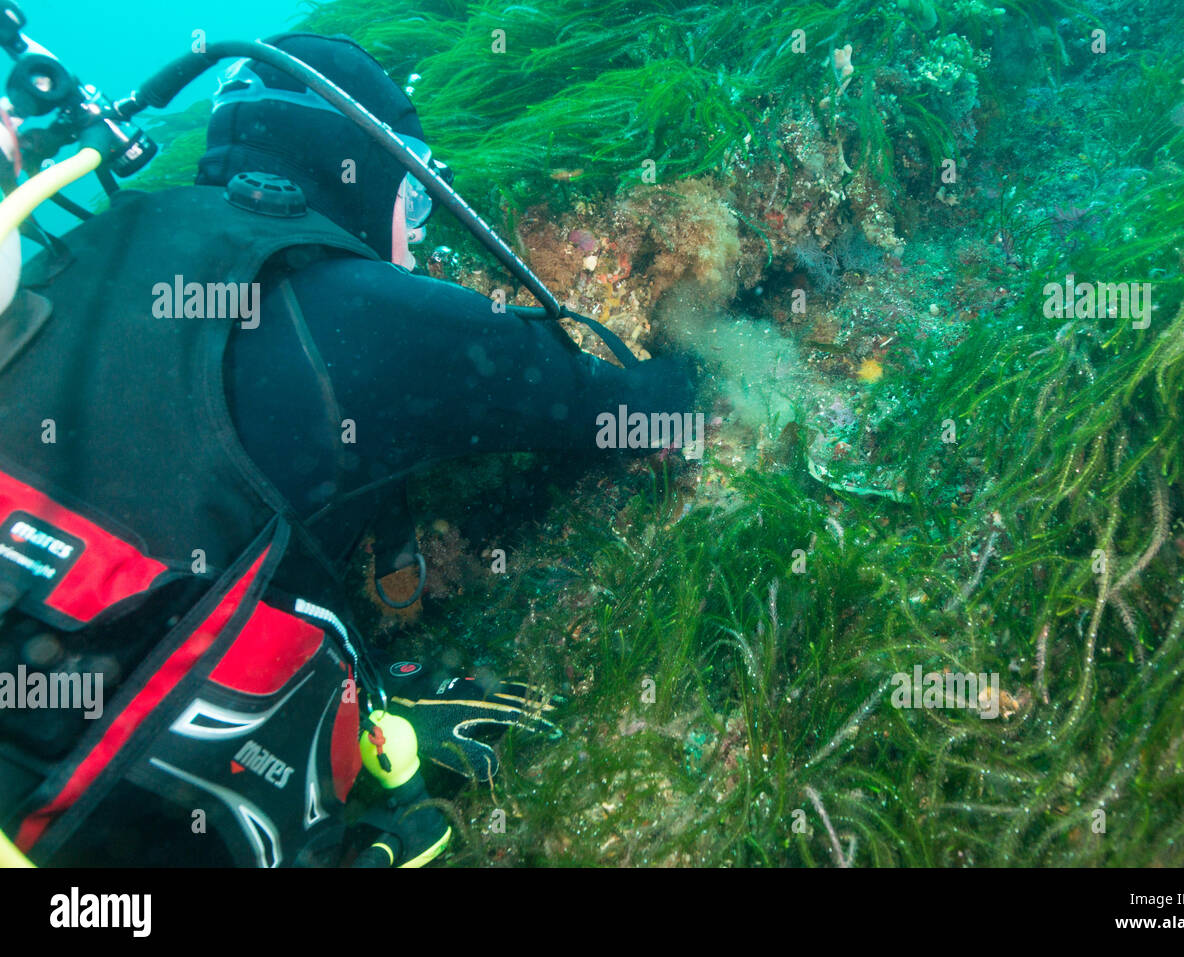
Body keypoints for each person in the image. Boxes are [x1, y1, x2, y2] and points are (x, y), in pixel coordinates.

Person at [0, 32, 696, 867]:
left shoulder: (89, 244)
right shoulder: (364, 310)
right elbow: (629, 411)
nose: (414, 238)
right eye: (414, 195)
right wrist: (714, 351)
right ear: (352, 164)